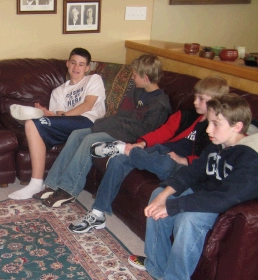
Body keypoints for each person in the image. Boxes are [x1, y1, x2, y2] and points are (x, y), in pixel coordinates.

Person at [128, 94, 258, 280]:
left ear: (237, 126)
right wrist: (165, 194)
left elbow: (226, 198)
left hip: (223, 204)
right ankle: (156, 264)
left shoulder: (250, 159)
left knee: (188, 219)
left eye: (215, 124)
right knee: (156, 196)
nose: (208, 130)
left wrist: (174, 207)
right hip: (204, 193)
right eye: (209, 123)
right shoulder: (218, 143)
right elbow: (193, 172)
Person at [70, 76, 229, 233]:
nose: (195, 102)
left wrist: (183, 160)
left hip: (179, 164)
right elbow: (163, 132)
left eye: (201, 99)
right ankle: (97, 214)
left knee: (165, 163)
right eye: (195, 97)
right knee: (118, 160)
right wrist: (142, 143)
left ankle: (125, 149)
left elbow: (207, 160)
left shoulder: (218, 129)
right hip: (158, 151)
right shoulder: (186, 115)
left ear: (216, 101)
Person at [32, 54, 172, 207]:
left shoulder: (160, 103)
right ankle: (52, 184)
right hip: (118, 128)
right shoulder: (137, 89)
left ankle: (68, 189)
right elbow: (122, 115)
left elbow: (144, 132)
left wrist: (110, 125)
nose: (132, 78)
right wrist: (107, 123)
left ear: (145, 78)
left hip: (132, 137)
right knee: (77, 133)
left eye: (135, 75)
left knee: (90, 140)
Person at [8, 47, 106, 200]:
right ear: (67, 63)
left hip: (90, 121)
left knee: (35, 123)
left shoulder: (93, 79)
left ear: (87, 68)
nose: (76, 67)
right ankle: (36, 183)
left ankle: (35, 184)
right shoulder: (58, 91)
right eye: (73, 62)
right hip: (70, 124)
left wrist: (60, 116)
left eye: (81, 64)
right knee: (32, 124)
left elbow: (88, 105)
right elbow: (61, 115)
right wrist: (51, 116)